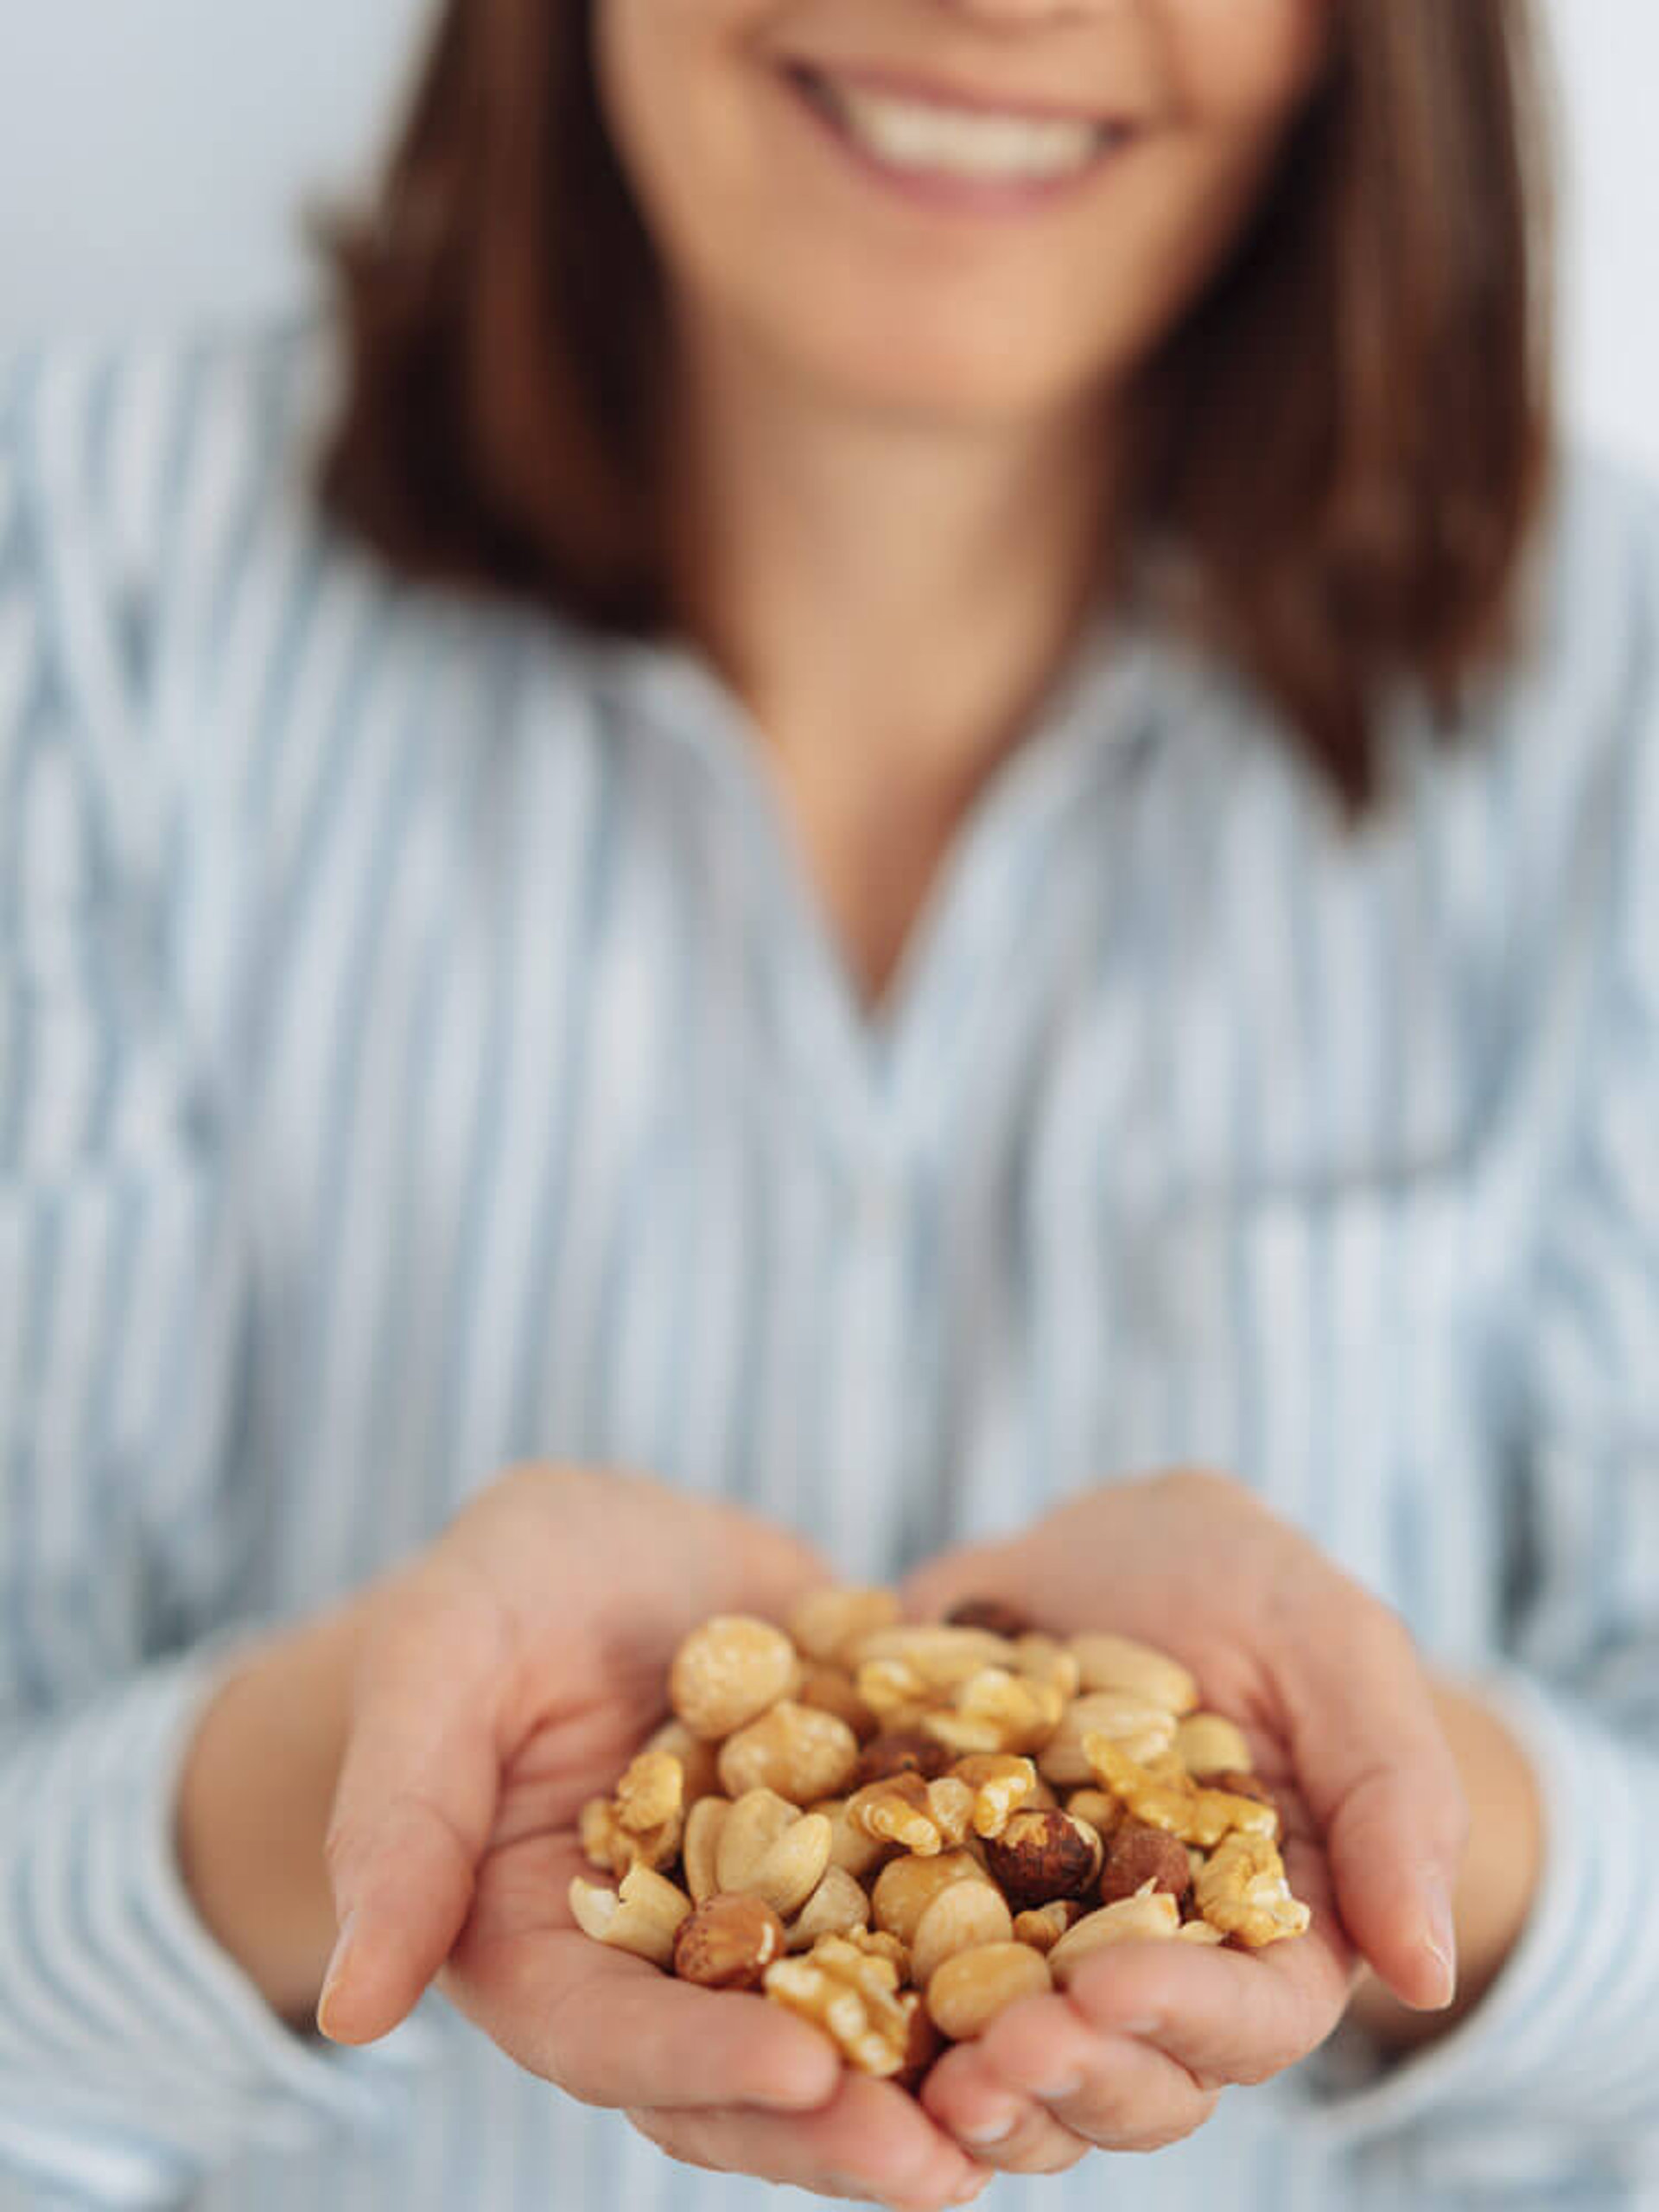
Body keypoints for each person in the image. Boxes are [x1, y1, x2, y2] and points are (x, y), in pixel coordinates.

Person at [1, 0, 1655, 2205]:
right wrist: (349, 1756)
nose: (998, 8)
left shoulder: (1620, 703)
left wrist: (1412, 1810)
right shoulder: (77, 585)